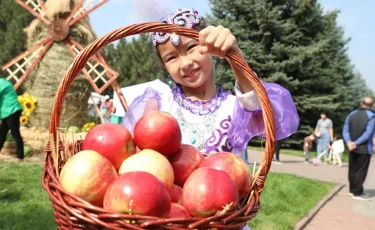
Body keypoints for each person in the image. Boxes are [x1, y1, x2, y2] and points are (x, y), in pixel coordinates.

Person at [121, 9, 299, 228]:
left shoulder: (234, 107)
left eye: (191, 47)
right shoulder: (160, 104)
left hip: (223, 219)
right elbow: (140, 159)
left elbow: (272, 118)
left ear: (209, 47)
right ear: (164, 67)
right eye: (171, 58)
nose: (185, 63)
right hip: (170, 218)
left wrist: (235, 55)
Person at [343, 96, 375, 201]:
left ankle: (353, 190)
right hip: (364, 148)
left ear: (361, 103)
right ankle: (357, 192)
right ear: (371, 105)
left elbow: (345, 129)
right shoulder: (371, 116)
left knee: (352, 169)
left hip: (352, 147)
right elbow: (368, 134)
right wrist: (356, 143)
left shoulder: (351, 114)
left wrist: (349, 142)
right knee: (361, 170)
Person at [0, 71, 24, 161]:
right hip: (9, 111)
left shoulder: (1, 83)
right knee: (2, 133)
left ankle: (20, 156)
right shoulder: (5, 82)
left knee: (14, 132)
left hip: (12, 110)